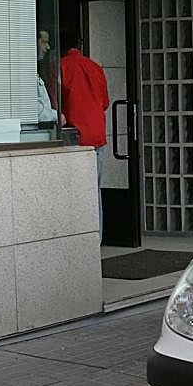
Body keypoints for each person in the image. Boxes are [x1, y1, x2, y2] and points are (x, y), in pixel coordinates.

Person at [59, 28, 111, 233]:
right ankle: (95, 238)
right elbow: (105, 102)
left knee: (76, 193)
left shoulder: (61, 67)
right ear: (79, 45)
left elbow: (56, 105)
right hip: (97, 135)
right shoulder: (95, 67)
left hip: (76, 137)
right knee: (94, 191)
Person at [36, 30, 59, 125]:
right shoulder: (22, 74)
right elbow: (33, 110)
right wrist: (55, 115)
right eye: (44, 42)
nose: (48, 47)